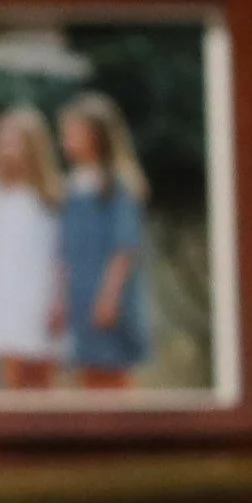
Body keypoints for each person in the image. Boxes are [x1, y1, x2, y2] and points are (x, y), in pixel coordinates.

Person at [55, 91, 155, 391]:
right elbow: (64, 248)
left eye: (74, 131)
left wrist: (109, 297)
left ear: (96, 136)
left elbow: (124, 247)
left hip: (110, 296)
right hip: (80, 295)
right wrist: (61, 297)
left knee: (114, 375)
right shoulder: (71, 184)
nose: (66, 138)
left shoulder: (118, 183)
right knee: (88, 375)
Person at [0, 104, 65, 392]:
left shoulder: (50, 194)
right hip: (5, 292)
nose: (7, 148)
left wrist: (59, 297)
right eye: (3, 140)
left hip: (41, 291)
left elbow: (59, 251)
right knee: (11, 374)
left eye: (15, 142)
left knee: (42, 377)